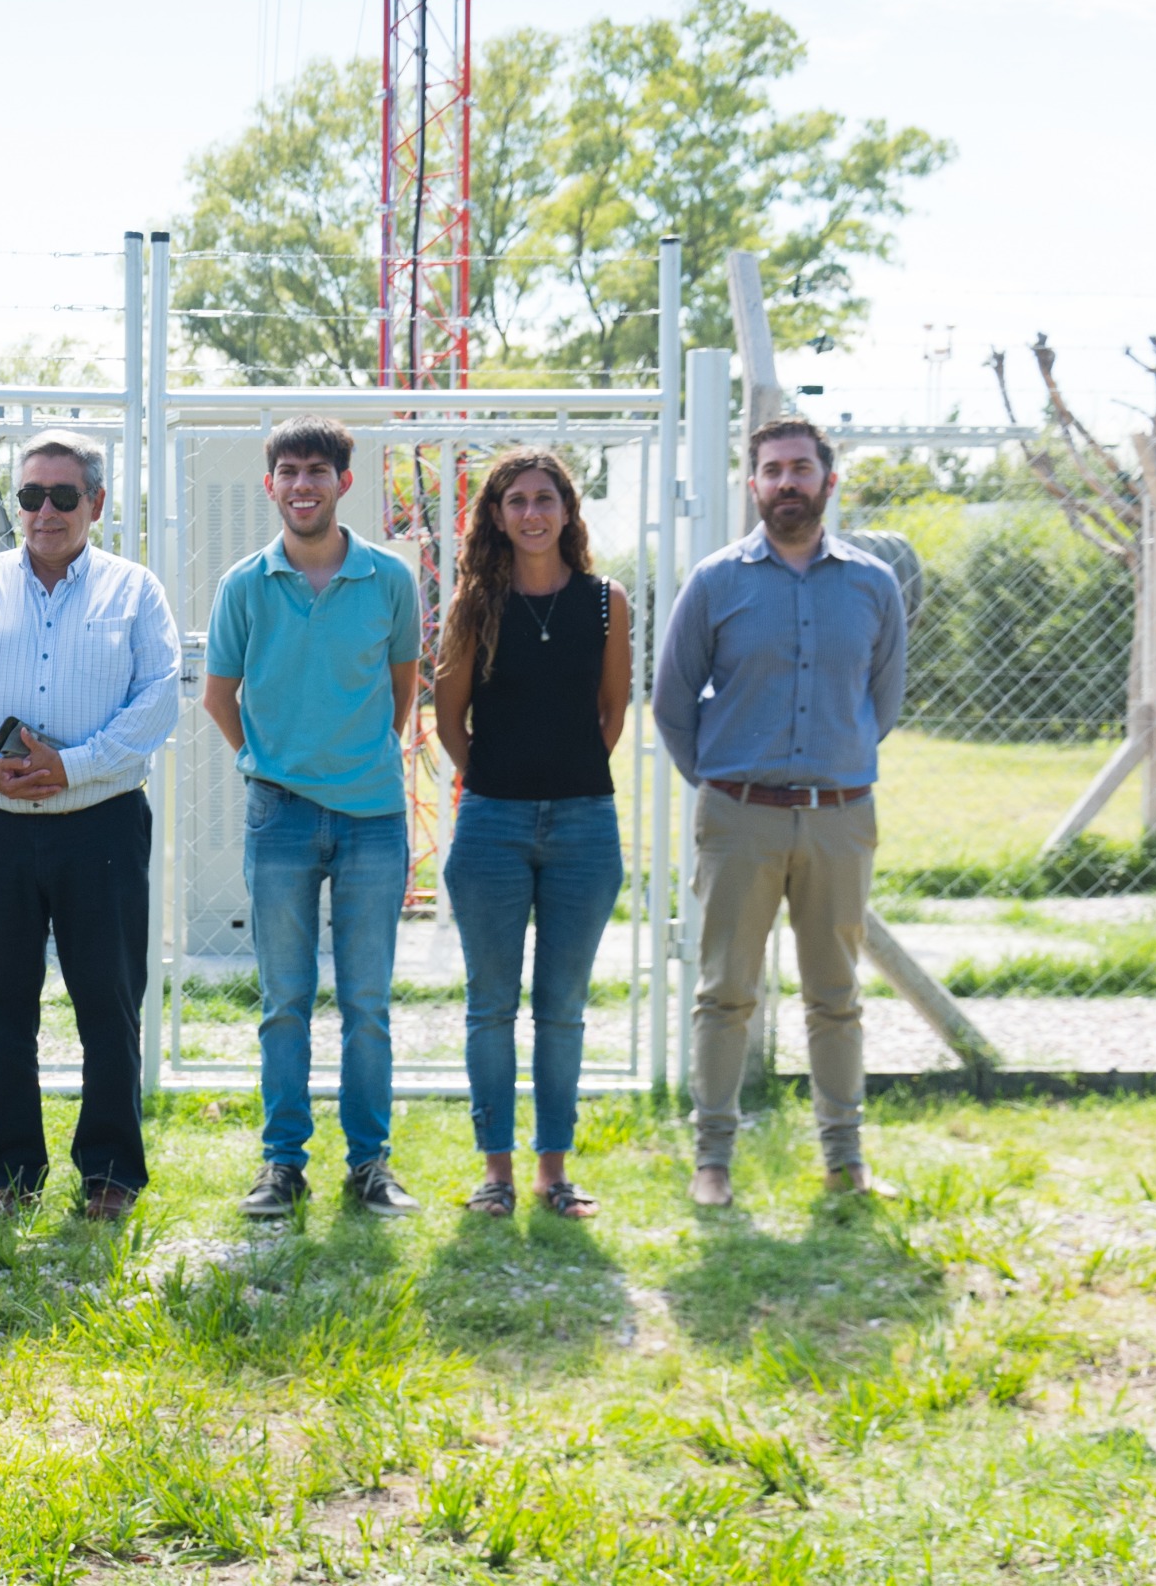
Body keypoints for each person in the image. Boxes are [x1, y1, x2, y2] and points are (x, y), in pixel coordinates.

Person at [0, 430, 179, 1222]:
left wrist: (75, 765)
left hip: (101, 825)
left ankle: (110, 1176)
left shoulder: (135, 591)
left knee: (109, 1005)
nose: (46, 511)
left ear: (97, 502)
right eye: (31, 495)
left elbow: (158, 698)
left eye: (64, 495)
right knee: (1, 1008)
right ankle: (10, 1176)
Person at [658, 418, 906, 1207]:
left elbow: (882, 703)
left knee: (836, 995)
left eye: (800, 468)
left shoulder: (874, 585)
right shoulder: (715, 582)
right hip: (739, 820)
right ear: (754, 484)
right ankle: (712, 1159)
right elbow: (672, 702)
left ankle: (844, 1158)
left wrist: (829, 770)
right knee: (725, 992)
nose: (786, 482)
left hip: (839, 819)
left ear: (828, 481)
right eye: (772, 470)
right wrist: (727, 786)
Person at [202, 416, 423, 1220]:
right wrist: (272, 764)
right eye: (289, 472)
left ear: (343, 483)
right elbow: (219, 697)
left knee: (367, 1004)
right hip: (281, 818)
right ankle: (282, 1164)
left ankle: (370, 1164)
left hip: (373, 818)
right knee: (284, 1002)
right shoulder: (244, 585)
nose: (303, 485)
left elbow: (402, 687)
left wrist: (355, 760)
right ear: (271, 486)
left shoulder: (390, 579)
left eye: (317, 471)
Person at [433, 450, 631, 1220]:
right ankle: (497, 1173)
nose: (531, 513)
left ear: (568, 511)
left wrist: (564, 776)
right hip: (491, 826)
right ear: (496, 515)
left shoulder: (606, 603)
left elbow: (611, 712)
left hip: (586, 826)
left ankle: (553, 1172)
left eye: (545, 499)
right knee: (490, 1005)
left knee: (562, 1006)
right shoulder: (473, 605)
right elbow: (450, 719)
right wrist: (498, 780)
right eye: (515, 501)